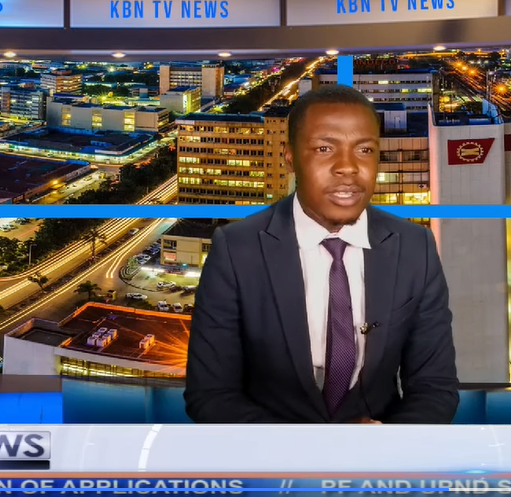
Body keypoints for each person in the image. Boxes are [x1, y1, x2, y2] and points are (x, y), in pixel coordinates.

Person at [184, 84, 459, 424]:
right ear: (290, 158)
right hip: (272, 453)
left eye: (365, 150)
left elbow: (435, 388)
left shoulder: (416, 247)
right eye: (324, 148)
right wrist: (304, 447)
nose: (348, 167)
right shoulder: (236, 249)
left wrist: (387, 440)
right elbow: (210, 394)